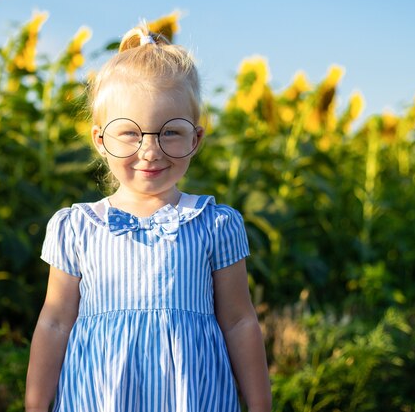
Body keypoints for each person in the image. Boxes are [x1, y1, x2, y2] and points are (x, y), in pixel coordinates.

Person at [25, 24, 271, 412]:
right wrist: (35, 405)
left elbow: (239, 321)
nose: (151, 151)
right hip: (98, 397)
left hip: (193, 397)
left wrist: (260, 405)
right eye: (129, 133)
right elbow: (54, 322)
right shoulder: (77, 228)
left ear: (196, 139)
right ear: (100, 140)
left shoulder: (215, 224)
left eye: (170, 132)